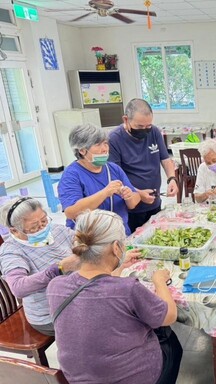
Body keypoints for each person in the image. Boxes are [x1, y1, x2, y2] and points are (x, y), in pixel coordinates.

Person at [47, 210, 182, 384]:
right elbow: (170, 316)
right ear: (116, 247)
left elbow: (98, 294)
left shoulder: (55, 286)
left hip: (77, 379)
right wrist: (159, 281)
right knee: (170, 341)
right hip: (133, 377)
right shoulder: (128, 288)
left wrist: (117, 268)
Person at [0, 197, 79, 336]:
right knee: (103, 319)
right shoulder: (11, 250)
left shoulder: (55, 230)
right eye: (34, 227)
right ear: (14, 231)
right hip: (51, 313)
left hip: (78, 297)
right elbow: (18, 287)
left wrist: (82, 243)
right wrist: (59, 268)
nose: (42, 228)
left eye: (44, 220)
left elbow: (78, 239)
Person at [108, 99, 179, 233]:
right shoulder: (114, 139)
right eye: (140, 127)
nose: (144, 131)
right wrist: (138, 193)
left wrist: (172, 179)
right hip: (130, 207)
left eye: (148, 126)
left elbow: (165, 159)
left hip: (154, 200)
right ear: (126, 119)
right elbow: (114, 177)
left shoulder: (154, 132)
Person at [58, 123, 141, 235]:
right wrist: (105, 193)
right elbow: (72, 212)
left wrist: (129, 196)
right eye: (98, 144)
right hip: (92, 240)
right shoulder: (72, 175)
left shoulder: (113, 169)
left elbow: (134, 202)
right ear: (82, 150)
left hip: (119, 234)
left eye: (105, 144)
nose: (104, 149)